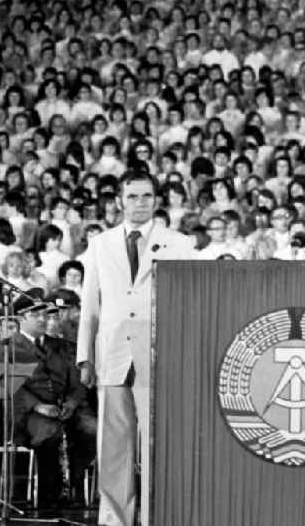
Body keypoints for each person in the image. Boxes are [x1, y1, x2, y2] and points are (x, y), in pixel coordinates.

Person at [77, 171, 196, 526]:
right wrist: (85, 356)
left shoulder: (179, 243)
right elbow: (90, 304)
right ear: (119, 202)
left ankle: (158, 516)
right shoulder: (101, 244)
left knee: (158, 444)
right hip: (113, 354)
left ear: (157, 200)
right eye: (133, 197)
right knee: (114, 445)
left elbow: (188, 302)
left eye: (147, 196)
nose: (140, 203)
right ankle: (115, 518)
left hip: (160, 353)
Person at [6, 289, 96, 508]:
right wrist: (38, 406)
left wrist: (72, 403)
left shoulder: (64, 347)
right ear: (21, 319)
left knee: (92, 429)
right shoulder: (8, 348)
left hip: (66, 408)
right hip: (30, 414)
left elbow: (78, 383)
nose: (42, 319)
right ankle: (50, 496)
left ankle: (75, 486)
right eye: (35, 315)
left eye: (44, 315)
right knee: (49, 431)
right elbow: (10, 387)